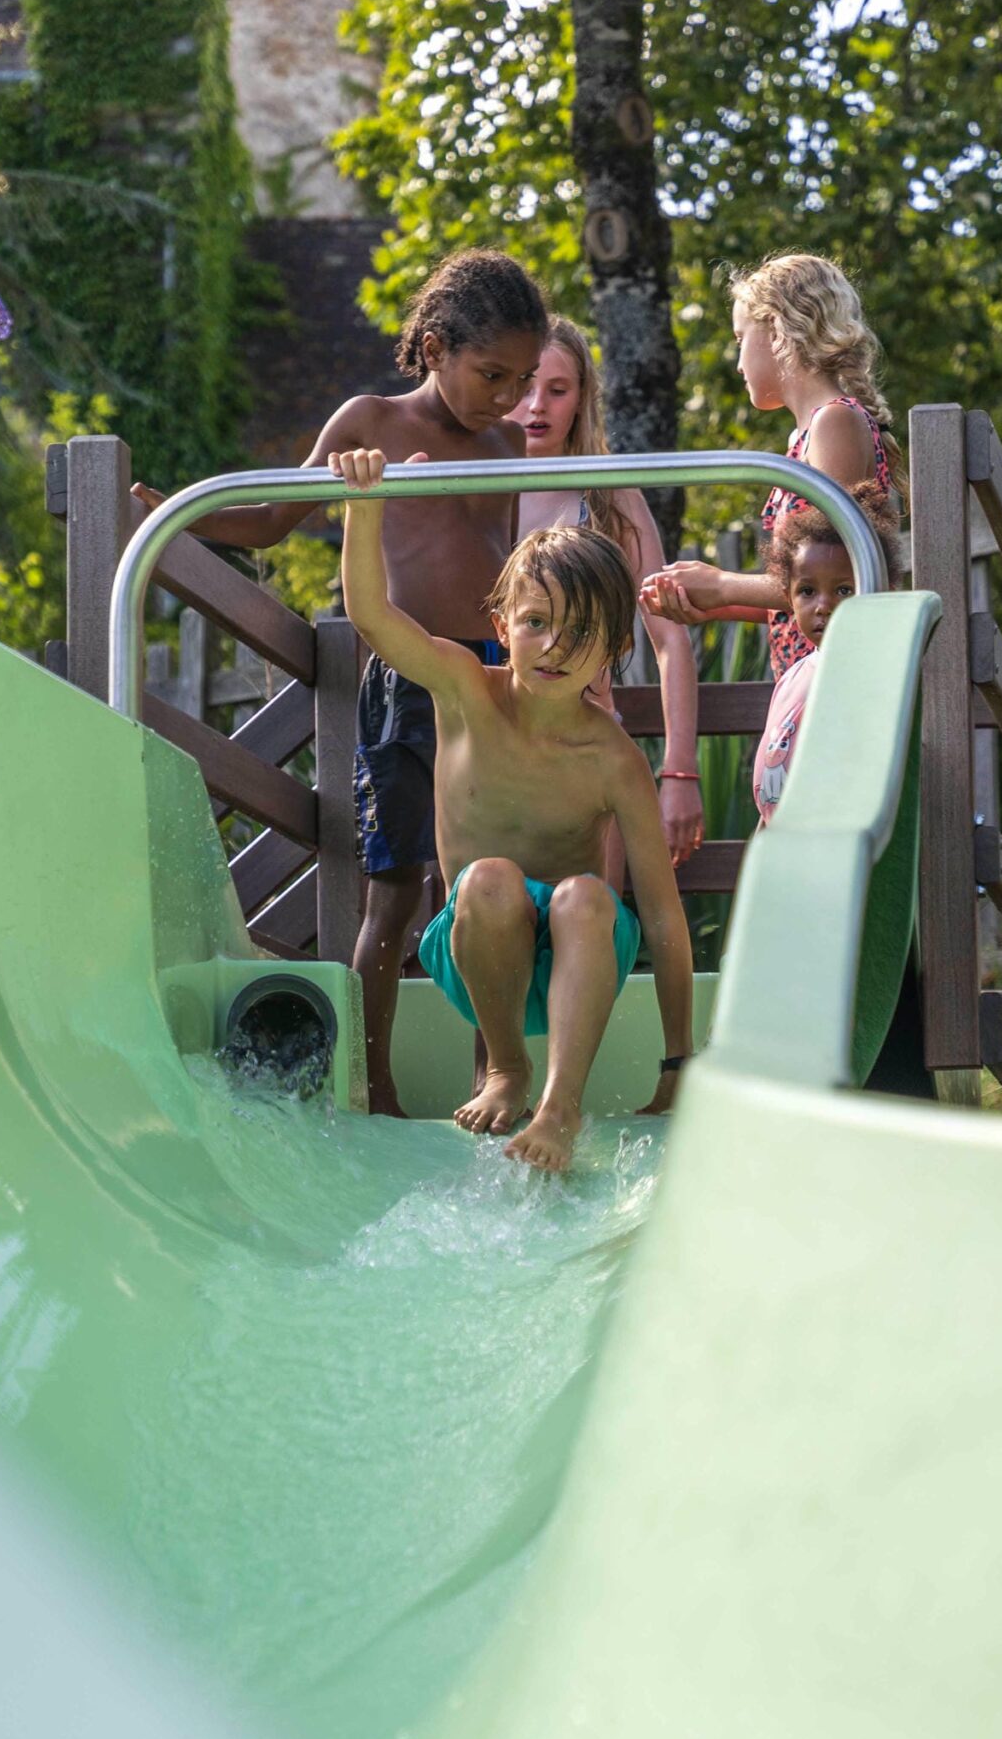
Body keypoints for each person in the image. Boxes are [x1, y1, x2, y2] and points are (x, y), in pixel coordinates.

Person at [134, 249, 548, 1116]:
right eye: (492, 375)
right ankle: (372, 1087)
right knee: (393, 890)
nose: (509, 398)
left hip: (490, 682)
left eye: (521, 379)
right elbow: (273, 520)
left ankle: (492, 1079)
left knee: (486, 885)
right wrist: (174, 514)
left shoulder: (509, 445)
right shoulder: (372, 420)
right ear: (433, 347)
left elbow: (511, 568)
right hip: (404, 677)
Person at [331, 443, 695, 1175]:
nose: (555, 646)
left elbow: (658, 915)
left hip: (577, 959)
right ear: (501, 626)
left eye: (582, 633)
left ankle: (561, 1105)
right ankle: (506, 1067)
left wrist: (677, 1060)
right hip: (475, 953)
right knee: (492, 880)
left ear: (615, 651)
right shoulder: (465, 692)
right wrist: (364, 506)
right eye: (536, 622)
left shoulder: (612, 758)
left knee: (589, 895)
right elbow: (371, 616)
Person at [640, 253, 900, 678]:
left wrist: (722, 583)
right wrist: (715, 604)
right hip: (804, 674)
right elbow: (803, 597)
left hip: (837, 674)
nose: (739, 361)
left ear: (778, 328)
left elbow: (838, 579)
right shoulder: (804, 437)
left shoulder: (835, 421)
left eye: (741, 338)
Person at [513, 317, 705, 869]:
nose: (536, 407)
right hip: (490, 745)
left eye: (556, 390)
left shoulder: (609, 491)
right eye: (525, 387)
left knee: (593, 924)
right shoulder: (464, 488)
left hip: (590, 747)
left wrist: (680, 772)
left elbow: (669, 641)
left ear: (582, 398)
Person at [752, 488, 904, 822]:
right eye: (807, 591)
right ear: (787, 596)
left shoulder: (873, 675)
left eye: (844, 591)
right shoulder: (795, 675)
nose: (823, 606)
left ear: (883, 592)